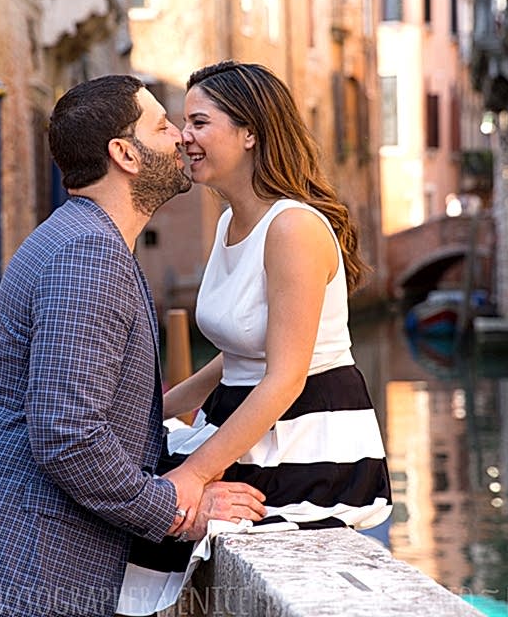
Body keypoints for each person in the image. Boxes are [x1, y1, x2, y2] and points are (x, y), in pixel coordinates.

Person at [0, 75, 266, 617]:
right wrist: (176, 508)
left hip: (6, 567)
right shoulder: (88, 256)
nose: (180, 138)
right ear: (126, 154)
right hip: (19, 577)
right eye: (163, 126)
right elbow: (69, 436)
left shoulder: (75, 236)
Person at [117, 61, 392, 615]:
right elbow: (238, 351)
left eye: (199, 122)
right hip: (243, 418)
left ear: (249, 133)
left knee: (157, 512)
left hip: (303, 436)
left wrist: (193, 475)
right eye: (181, 123)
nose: (184, 138)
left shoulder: (293, 227)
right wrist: (157, 410)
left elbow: (286, 376)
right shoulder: (229, 222)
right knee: (125, 493)